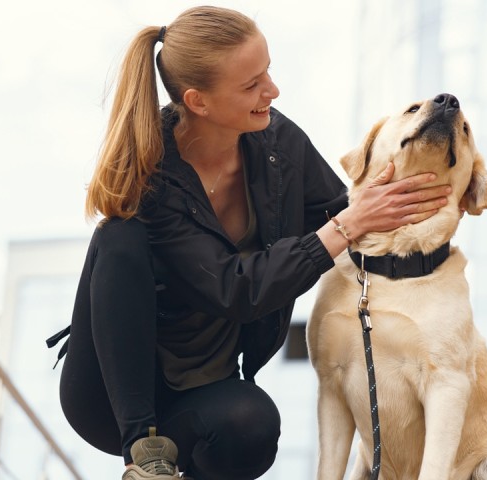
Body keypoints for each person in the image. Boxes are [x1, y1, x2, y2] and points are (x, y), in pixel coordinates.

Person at [49, 6, 451, 480]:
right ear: (198, 102)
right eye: (252, 84)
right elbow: (236, 289)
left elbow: (345, 213)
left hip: (203, 386)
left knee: (254, 424)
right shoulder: (152, 180)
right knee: (120, 233)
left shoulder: (279, 142)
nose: (272, 91)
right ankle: (145, 459)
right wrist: (348, 224)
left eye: (268, 72)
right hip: (115, 399)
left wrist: (409, 193)